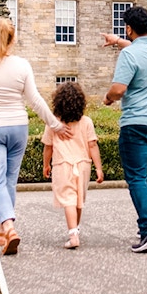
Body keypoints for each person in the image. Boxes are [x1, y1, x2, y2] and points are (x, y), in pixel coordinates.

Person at [0, 17, 71, 255]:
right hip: (18, 127)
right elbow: (35, 100)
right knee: (9, 180)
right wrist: (54, 124)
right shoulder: (22, 65)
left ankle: (9, 227)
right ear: (13, 40)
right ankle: (3, 231)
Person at [102, 6, 147, 253]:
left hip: (137, 124)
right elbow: (141, 51)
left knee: (137, 177)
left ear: (128, 28)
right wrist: (117, 41)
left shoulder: (129, 56)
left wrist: (108, 98)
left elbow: (118, 90)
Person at [42, 82, 103, 249]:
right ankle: (75, 228)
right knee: (78, 200)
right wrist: (98, 168)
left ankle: (73, 234)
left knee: (68, 200)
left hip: (63, 165)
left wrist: (46, 165)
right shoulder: (87, 122)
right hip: (83, 165)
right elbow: (92, 145)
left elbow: (48, 147)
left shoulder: (53, 123)